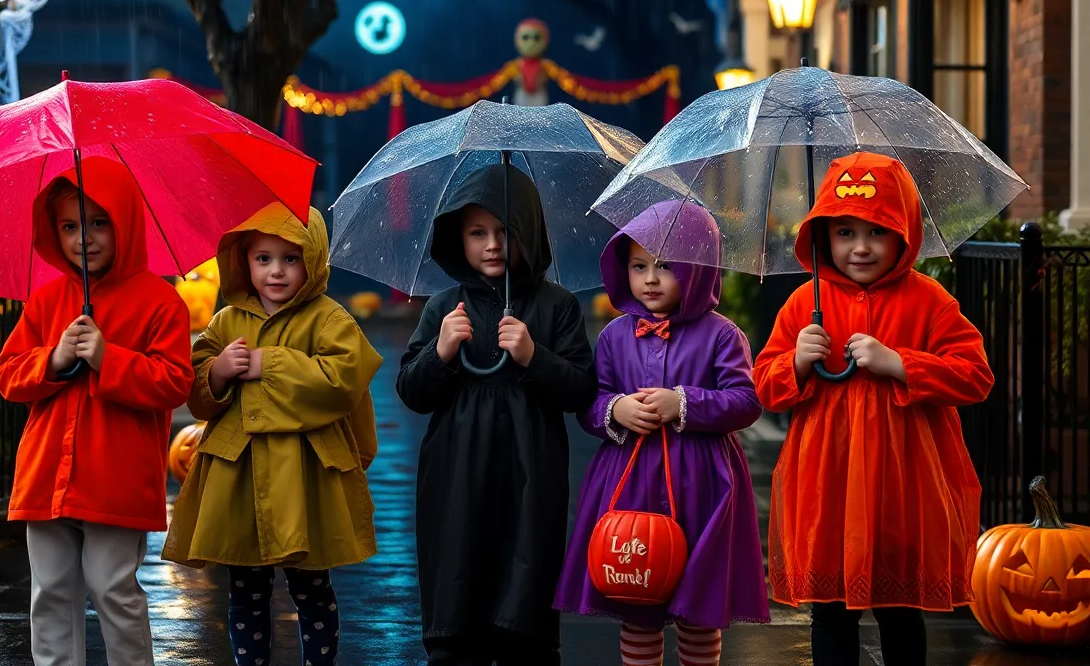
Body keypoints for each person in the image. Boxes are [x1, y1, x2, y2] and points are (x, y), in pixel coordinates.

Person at [754, 153, 993, 666]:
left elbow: (975, 376)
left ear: (903, 234)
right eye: (844, 232)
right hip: (827, 484)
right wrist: (795, 363)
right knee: (830, 612)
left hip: (903, 488)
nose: (860, 247)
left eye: (877, 232)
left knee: (900, 608)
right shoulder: (803, 303)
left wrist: (899, 363)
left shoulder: (929, 301)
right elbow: (765, 388)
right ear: (823, 235)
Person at [162, 203, 381, 666]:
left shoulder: (329, 319)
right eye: (263, 259)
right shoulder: (226, 321)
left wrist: (271, 364)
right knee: (245, 587)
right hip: (240, 474)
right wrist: (217, 374)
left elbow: (344, 381)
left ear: (313, 261)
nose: (276, 271)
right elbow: (197, 391)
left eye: (291, 258)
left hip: (307, 475)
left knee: (312, 586)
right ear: (244, 261)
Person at [0, 158, 194, 666]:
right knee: (51, 597)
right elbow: (8, 375)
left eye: (99, 222)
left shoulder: (160, 303)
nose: (84, 238)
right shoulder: (45, 302)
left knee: (113, 591)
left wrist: (109, 358)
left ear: (124, 222)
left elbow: (174, 383)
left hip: (116, 480)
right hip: (46, 479)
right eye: (69, 226)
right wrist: (54, 360)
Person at [397, 163, 596, 665]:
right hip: (456, 472)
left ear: (527, 232)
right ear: (457, 239)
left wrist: (534, 356)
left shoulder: (556, 306)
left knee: (524, 600)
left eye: (505, 231)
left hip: (530, 475)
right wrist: (440, 351)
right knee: (457, 583)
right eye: (477, 233)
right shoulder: (444, 307)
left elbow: (581, 389)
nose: (492, 244)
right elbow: (412, 391)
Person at [555, 201, 769, 666]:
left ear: (697, 269)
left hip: (702, 484)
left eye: (666, 266)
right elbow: (591, 406)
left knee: (698, 604)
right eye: (638, 266)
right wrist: (617, 409)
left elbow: (746, 402)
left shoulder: (722, 335)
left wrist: (685, 402)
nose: (650, 278)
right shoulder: (614, 336)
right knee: (637, 598)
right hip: (631, 482)